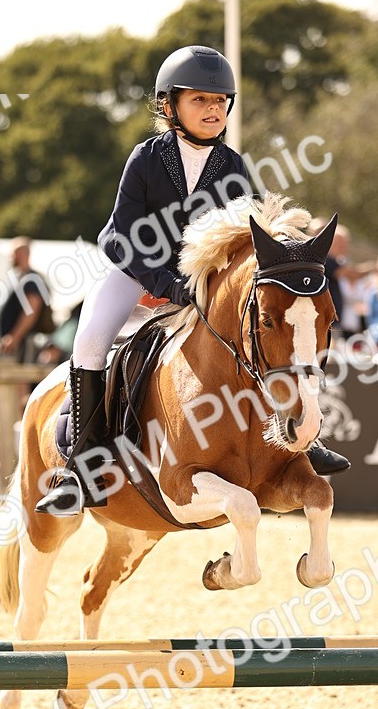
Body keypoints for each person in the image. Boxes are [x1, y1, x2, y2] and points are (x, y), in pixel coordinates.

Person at [36, 45, 347, 516]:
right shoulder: (145, 159)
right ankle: (80, 466)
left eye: (220, 101)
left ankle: (299, 442)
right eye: (200, 100)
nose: (213, 109)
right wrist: (163, 282)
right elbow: (120, 236)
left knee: (264, 340)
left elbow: (246, 239)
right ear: (169, 106)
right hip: (134, 273)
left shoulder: (233, 167)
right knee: (91, 340)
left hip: (202, 286)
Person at [0, 238, 52, 362]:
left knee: (20, 379)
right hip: (16, 343)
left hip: (23, 344)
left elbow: (31, 311)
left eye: (14, 253)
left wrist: (14, 337)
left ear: (21, 254)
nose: (11, 257)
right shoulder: (19, 278)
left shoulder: (31, 279)